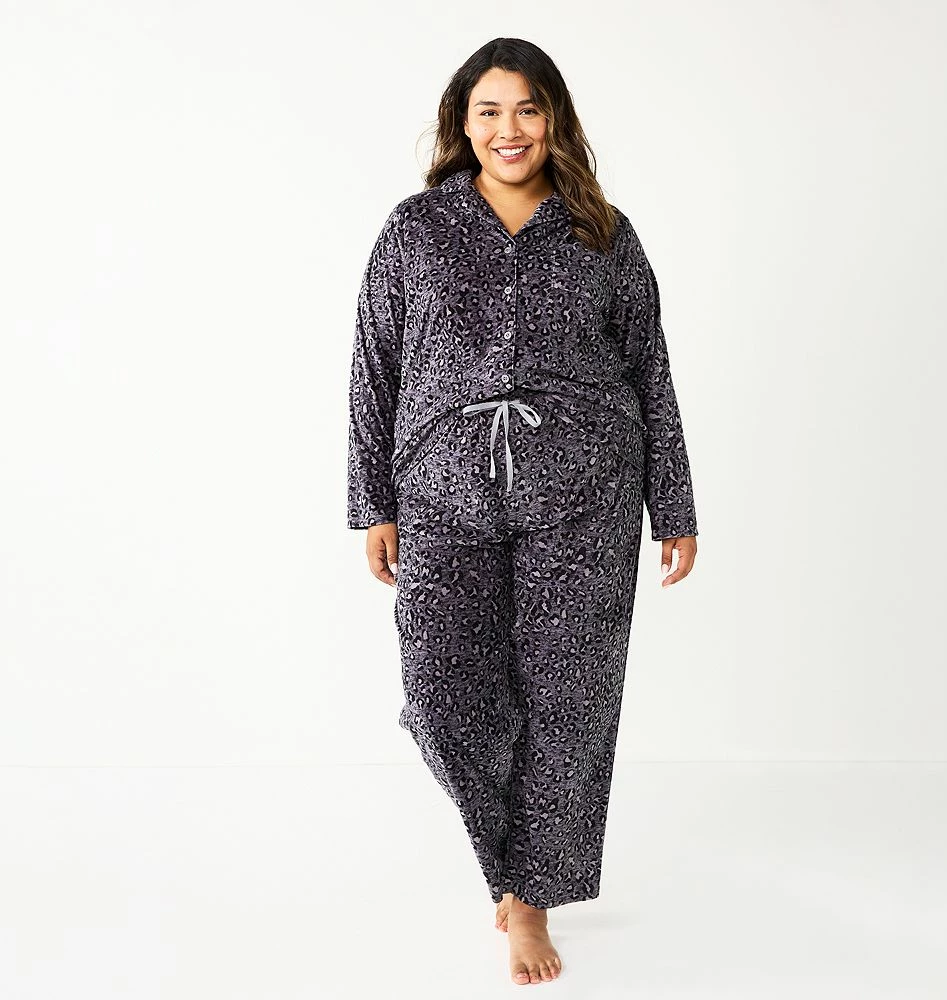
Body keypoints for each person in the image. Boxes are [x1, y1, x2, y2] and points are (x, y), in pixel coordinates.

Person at [347, 37, 699, 987]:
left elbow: (650, 371)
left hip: (587, 493)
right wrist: (371, 500)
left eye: (529, 110)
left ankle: (529, 900)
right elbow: (374, 364)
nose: (511, 130)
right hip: (442, 492)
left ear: (555, 121)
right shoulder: (416, 230)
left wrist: (673, 503)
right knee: (440, 690)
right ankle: (511, 860)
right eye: (490, 111)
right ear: (462, 124)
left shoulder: (603, 232)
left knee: (567, 702)